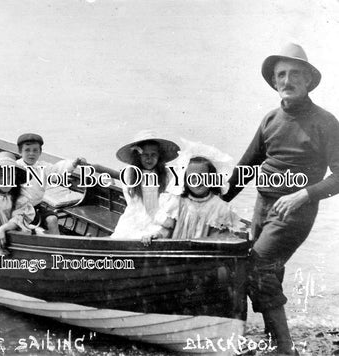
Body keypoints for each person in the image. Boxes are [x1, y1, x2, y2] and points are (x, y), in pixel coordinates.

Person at [223, 43, 339, 355]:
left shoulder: (325, 122)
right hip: (262, 206)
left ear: (308, 81)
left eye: (295, 74)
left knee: (259, 267)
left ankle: (285, 348)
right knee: (259, 270)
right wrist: (220, 200)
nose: (287, 80)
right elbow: (246, 166)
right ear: (275, 82)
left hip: (295, 211)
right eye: (281, 75)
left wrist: (304, 195)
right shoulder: (270, 120)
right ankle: (272, 339)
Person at [142, 140, 245, 245]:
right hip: (177, 250)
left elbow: (217, 236)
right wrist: (157, 235)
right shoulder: (177, 202)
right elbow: (167, 230)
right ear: (185, 179)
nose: (198, 182)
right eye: (193, 177)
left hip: (202, 253)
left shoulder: (218, 207)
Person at [111, 130, 179, 239]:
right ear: (138, 156)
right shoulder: (129, 173)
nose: (149, 159)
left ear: (159, 156)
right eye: (145, 155)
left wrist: (166, 221)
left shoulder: (167, 175)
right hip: (134, 218)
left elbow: (167, 202)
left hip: (157, 220)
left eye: (153, 155)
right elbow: (133, 203)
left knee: (163, 230)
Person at [15, 133, 86, 235]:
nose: (31, 154)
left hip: (35, 207)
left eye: (35, 150)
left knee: (52, 219)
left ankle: (57, 245)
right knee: (25, 229)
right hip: (18, 209)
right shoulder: (15, 167)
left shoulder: (43, 166)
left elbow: (57, 170)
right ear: (20, 152)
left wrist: (73, 163)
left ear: (40, 152)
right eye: (27, 150)